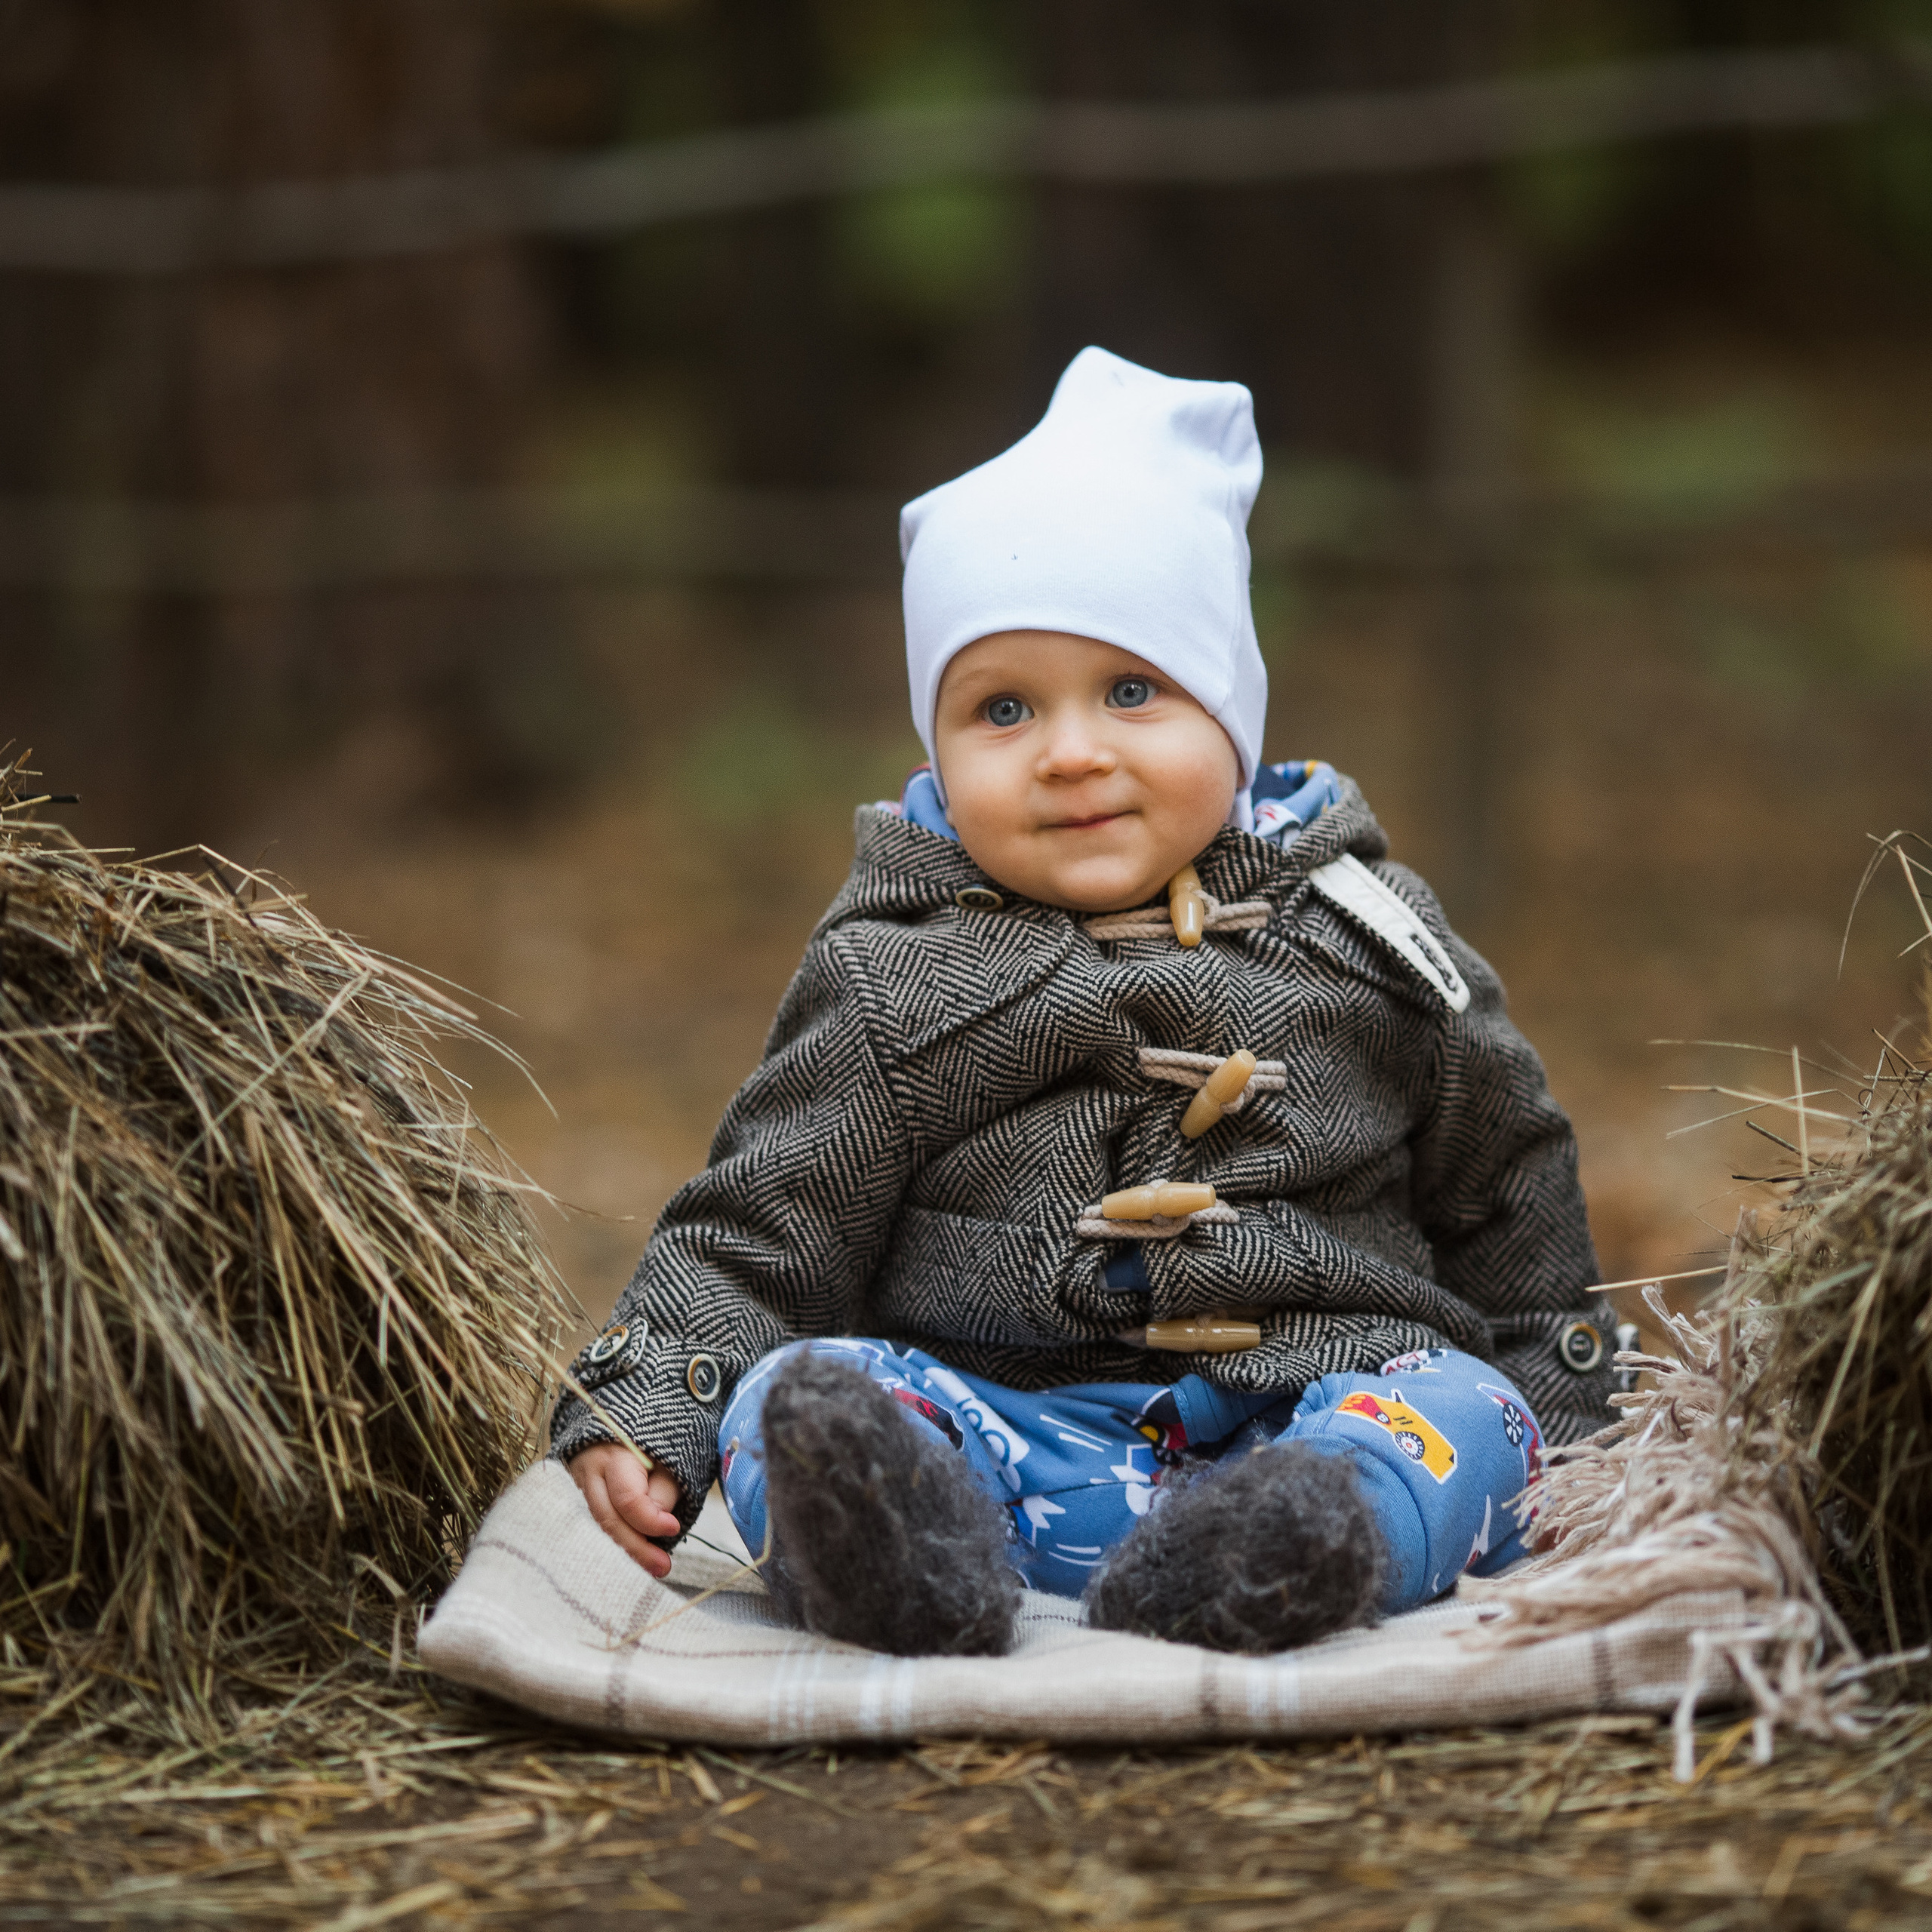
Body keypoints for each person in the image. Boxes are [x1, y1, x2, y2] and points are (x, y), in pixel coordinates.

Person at [556, 346, 1611, 1658]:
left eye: (1132, 690)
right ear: (934, 748)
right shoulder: (900, 969)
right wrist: (657, 1396)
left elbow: (1502, 1177)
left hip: (1326, 1403)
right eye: (1002, 708)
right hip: (1002, 1425)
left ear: (1229, 705)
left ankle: (1292, 1546)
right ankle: (894, 1550)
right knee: (799, 1400)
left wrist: (1560, 1407)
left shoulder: (1364, 935)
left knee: (1461, 1418)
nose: (1070, 752)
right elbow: (770, 1212)